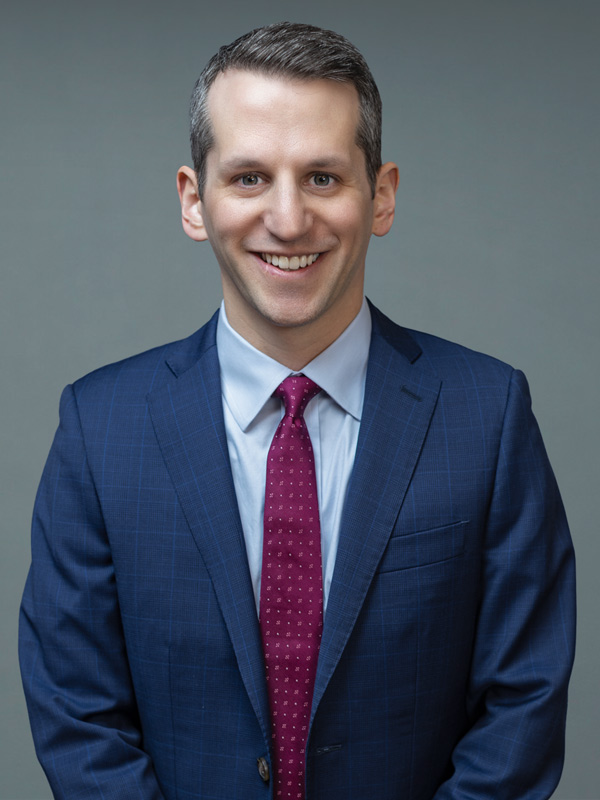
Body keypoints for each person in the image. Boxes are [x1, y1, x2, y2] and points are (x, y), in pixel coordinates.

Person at [19, 21, 576, 800]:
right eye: (249, 178)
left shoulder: (489, 416)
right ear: (194, 201)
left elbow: (522, 701)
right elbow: (78, 715)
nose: (287, 219)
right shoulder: (98, 427)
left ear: (381, 196)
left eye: (322, 177)